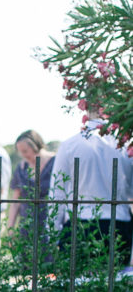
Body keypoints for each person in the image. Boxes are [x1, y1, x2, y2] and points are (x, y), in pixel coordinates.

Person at [49, 114, 133, 266]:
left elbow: (57, 192)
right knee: (116, 278)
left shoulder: (70, 145)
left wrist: (53, 235)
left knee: (75, 279)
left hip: (80, 223)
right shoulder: (125, 145)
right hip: (118, 223)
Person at [7, 130, 56, 237]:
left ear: (36, 146)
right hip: (27, 226)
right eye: (20, 152)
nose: (23, 155)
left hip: (51, 224)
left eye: (25, 151)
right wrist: (10, 228)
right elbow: (15, 202)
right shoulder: (21, 168)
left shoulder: (55, 163)